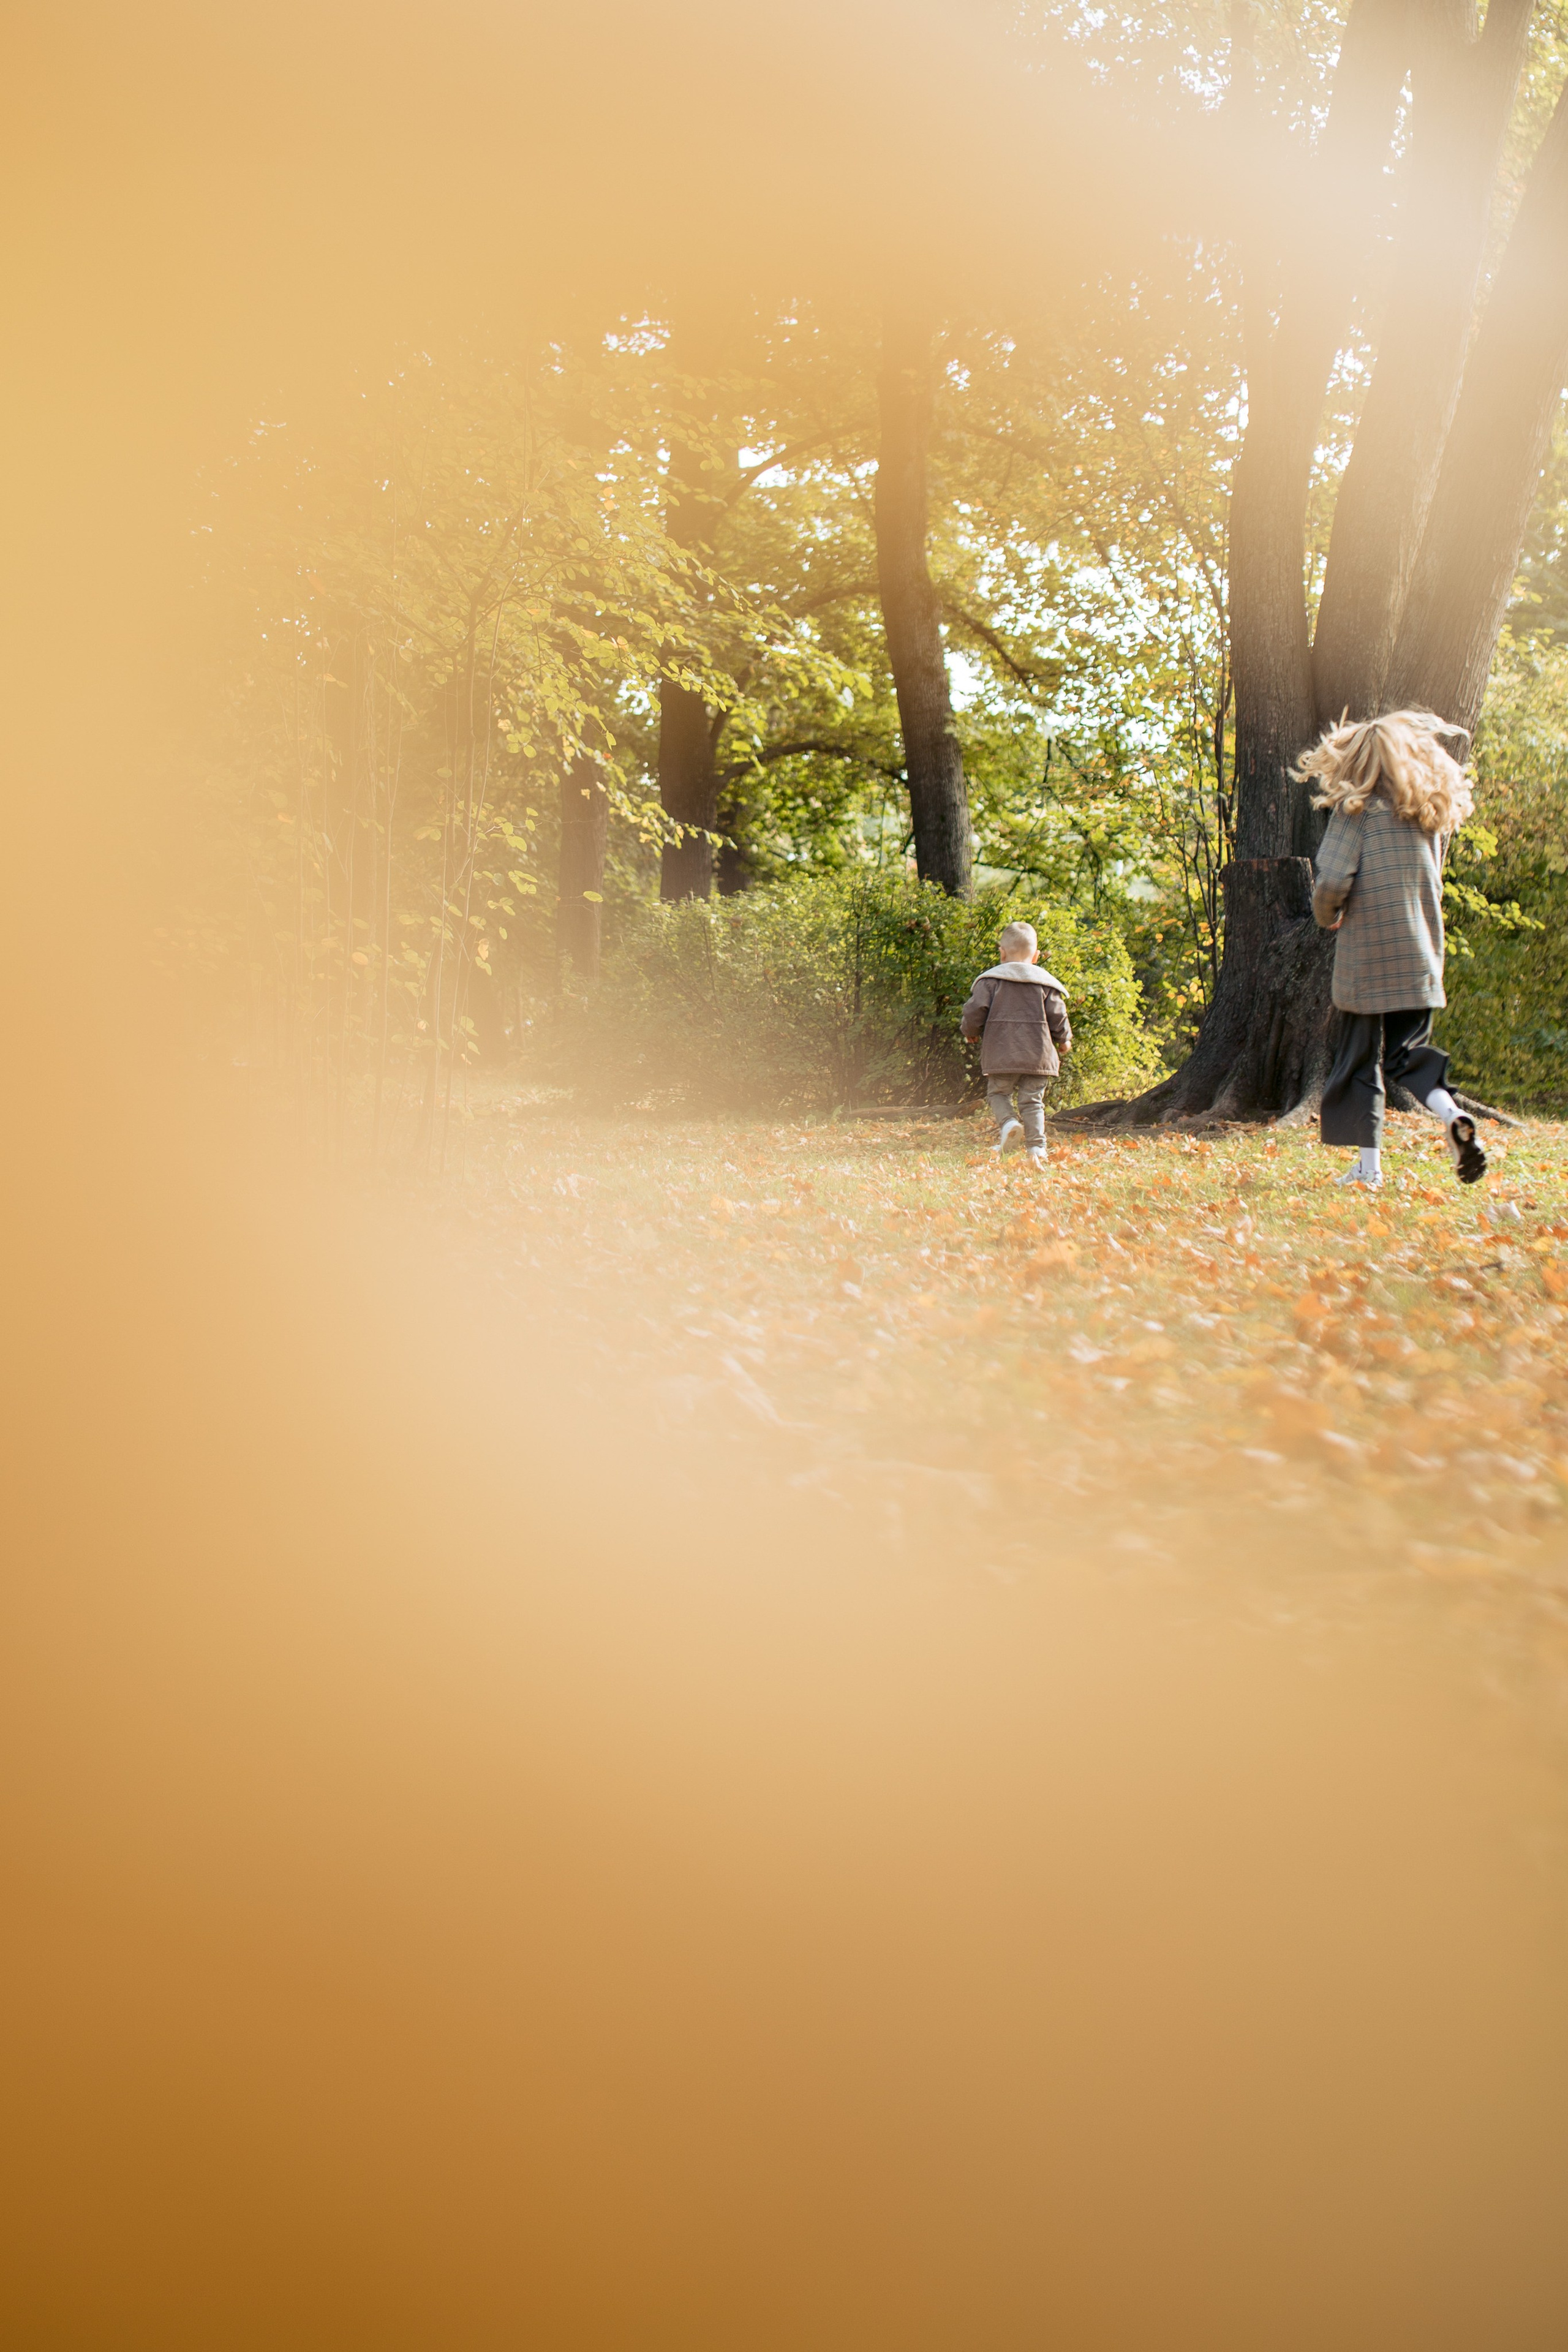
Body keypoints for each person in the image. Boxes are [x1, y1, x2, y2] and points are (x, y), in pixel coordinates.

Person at [1301, 709, 1487, 1189]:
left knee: (1359, 1061)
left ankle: (1369, 1168)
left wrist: (1328, 916)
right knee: (1408, 1056)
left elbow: (1332, 884)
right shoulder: (1428, 814)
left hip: (1367, 959)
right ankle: (1451, 1115)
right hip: (1421, 955)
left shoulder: (1357, 813)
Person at [960, 921, 1072, 1169]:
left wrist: (970, 1032)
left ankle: (1009, 1123)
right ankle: (1037, 1148)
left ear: (1002, 953)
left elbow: (974, 1010)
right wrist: (1064, 1038)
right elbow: (1058, 1013)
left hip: (1002, 1053)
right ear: (1036, 956)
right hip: (1038, 1054)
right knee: (1033, 1101)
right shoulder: (1045, 983)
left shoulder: (990, 981)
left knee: (998, 1093)